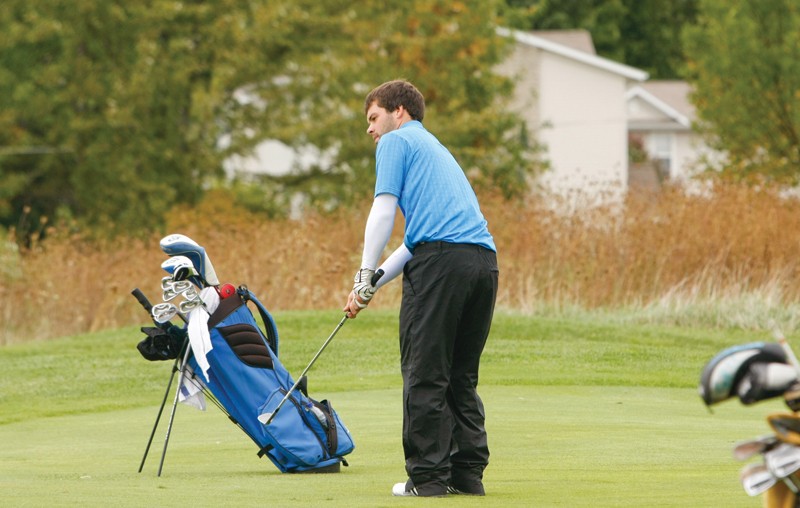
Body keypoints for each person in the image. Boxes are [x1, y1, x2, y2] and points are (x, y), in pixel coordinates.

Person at [343, 79, 499, 497]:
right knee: (460, 376)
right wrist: (373, 283)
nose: (370, 129)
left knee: (425, 373)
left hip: (442, 266)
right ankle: (466, 475)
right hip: (482, 265)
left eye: (373, 117)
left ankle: (428, 479)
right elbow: (414, 243)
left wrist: (361, 272)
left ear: (399, 112)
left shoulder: (395, 143)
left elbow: (383, 208)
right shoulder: (436, 150)